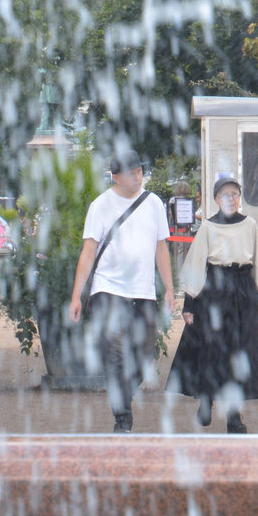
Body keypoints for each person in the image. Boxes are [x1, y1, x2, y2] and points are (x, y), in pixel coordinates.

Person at [68, 150, 174, 433]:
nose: (137, 177)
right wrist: (77, 295)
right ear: (115, 177)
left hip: (144, 291)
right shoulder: (100, 206)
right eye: (131, 173)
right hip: (108, 290)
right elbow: (88, 252)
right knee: (115, 354)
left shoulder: (153, 203)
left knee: (146, 356)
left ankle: (121, 394)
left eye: (139, 171)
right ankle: (122, 418)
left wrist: (170, 290)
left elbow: (161, 248)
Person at [168, 174, 258, 433]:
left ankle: (234, 417)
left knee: (239, 354)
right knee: (212, 350)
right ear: (216, 199)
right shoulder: (208, 227)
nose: (231, 198)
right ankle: (206, 400)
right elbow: (196, 265)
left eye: (235, 194)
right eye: (225, 194)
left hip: (242, 291)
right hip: (214, 291)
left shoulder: (250, 225)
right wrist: (189, 304)